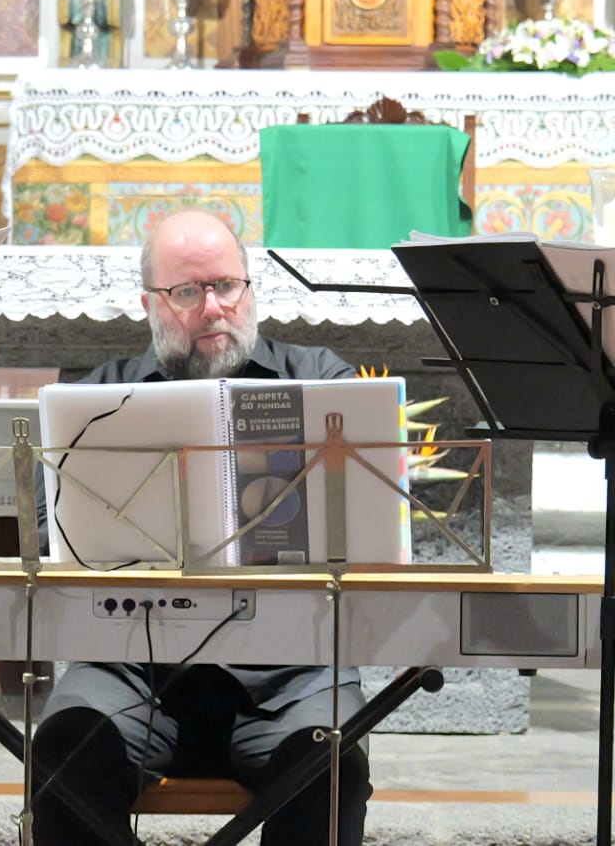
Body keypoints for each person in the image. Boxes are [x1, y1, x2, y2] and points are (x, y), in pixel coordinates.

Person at [29, 209, 371, 846]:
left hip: (290, 674)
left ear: (250, 287)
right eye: (187, 291)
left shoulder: (321, 381)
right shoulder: (99, 396)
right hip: (132, 670)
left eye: (227, 286)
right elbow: (48, 535)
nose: (213, 308)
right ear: (149, 304)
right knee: (64, 751)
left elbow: (367, 520)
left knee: (331, 763)